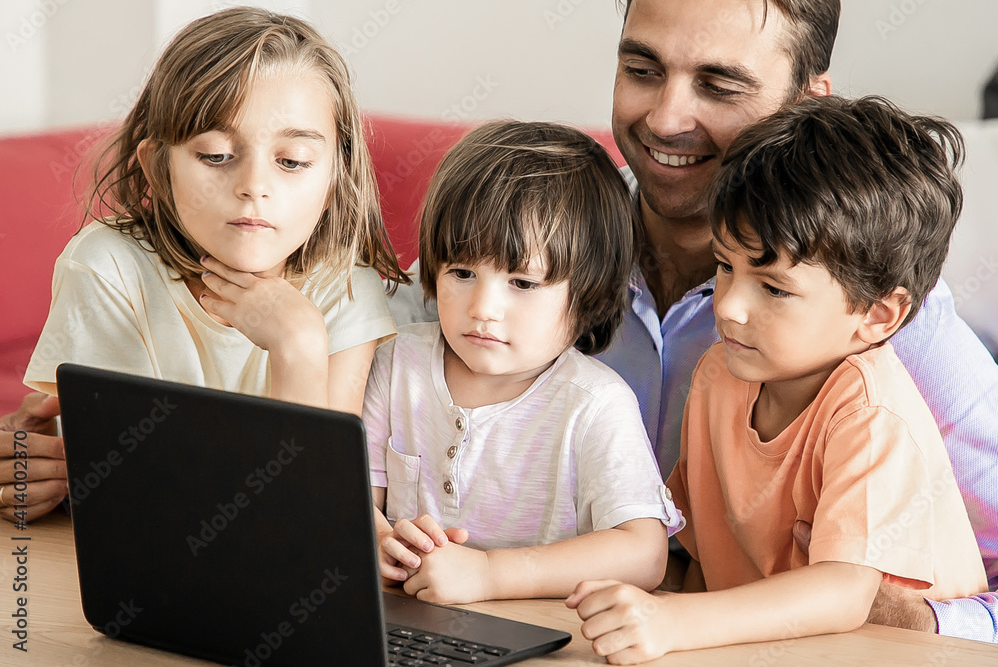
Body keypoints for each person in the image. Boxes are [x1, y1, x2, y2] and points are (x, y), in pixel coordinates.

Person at [387, 0, 998, 641]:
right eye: (643, 69)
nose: (666, 119)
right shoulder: (530, 236)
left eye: (719, 85)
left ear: (805, 103)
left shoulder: (889, 329)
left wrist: (909, 620)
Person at [567, 94, 989, 664]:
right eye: (724, 266)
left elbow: (842, 595)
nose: (730, 307)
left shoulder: (868, 415)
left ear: (878, 316)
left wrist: (672, 622)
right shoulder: (721, 372)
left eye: (774, 288)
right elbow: (697, 559)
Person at [0, 7, 404, 522]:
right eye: (215, 155)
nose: (254, 186)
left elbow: (315, 514)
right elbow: (125, 491)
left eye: (293, 161)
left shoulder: (346, 286)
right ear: (156, 168)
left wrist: (298, 347)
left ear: (333, 179)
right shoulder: (107, 267)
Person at [365, 120, 684, 605]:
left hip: (542, 632)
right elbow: (351, 494)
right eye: (463, 272)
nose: (483, 308)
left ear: (591, 296)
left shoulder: (595, 404)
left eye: (523, 283)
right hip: (407, 622)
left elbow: (644, 554)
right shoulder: (394, 364)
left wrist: (489, 574)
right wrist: (380, 542)